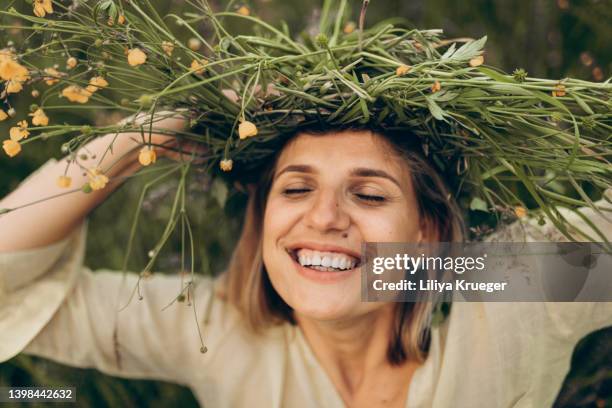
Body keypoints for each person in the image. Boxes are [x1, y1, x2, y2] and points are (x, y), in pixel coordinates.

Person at [1, 113, 611, 408]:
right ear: (263, 219)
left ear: (425, 233)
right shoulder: (217, 332)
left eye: (369, 194)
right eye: (296, 189)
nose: (324, 218)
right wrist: (139, 140)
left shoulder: (492, 298)